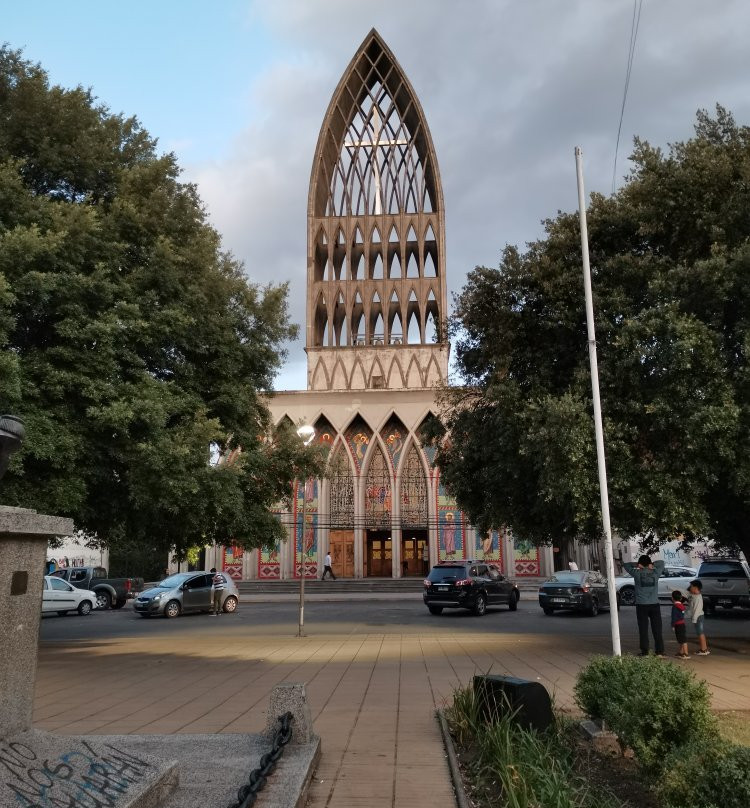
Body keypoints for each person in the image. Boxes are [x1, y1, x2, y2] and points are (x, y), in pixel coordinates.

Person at [623, 554, 665, 656]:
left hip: (641, 605)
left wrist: (638, 565)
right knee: (657, 629)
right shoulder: (655, 572)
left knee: (643, 629)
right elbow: (662, 563)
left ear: (640, 564)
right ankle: (660, 651)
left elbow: (626, 565)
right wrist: (651, 565)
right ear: (649, 563)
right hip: (655, 604)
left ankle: (645, 651)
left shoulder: (637, 573)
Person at [687, 580, 710, 656]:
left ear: (696, 587)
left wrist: (694, 619)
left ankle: (704, 649)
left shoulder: (698, 598)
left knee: (700, 633)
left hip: (698, 617)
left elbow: (697, 609)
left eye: (691, 586)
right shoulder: (693, 595)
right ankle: (704, 649)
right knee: (700, 633)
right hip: (698, 617)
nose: (690, 588)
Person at [671, 590, 689, 659]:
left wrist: (673, 625)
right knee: (681, 639)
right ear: (680, 598)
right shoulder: (681, 605)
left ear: (672, 598)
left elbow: (674, 617)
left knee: (683, 640)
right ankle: (681, 652)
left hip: (678, 625)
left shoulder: (675, 607)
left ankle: (686, 653)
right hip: (682, 624)